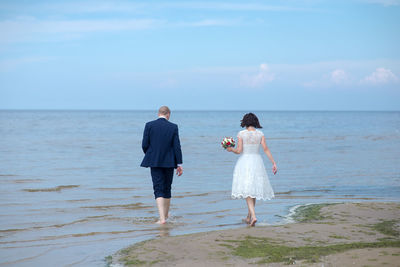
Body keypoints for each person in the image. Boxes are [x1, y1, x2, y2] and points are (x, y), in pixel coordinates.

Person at [226, 113, 277, 226]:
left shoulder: (241, 134)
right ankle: (249, 217)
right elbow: (265, 149)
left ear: (244, 122)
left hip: (245, 162)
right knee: (253, 189)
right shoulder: (260, 134)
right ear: (255, 122)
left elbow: (239, 151)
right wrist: (273, 163)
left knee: (247, 190)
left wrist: (231, 150)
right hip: (257, 161)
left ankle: (253, 216)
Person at [141, 106, 183, 224]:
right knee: (167, 188)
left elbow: (144, 144)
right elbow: (177, 147)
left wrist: (151, 154)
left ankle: (162, 219)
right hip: (170, 162)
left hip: (154, 161)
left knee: (158, 188)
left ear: (158, 114)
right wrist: (179, 163)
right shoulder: (173, 127)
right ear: (168, 114)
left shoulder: (149, 125)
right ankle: (165, 216)